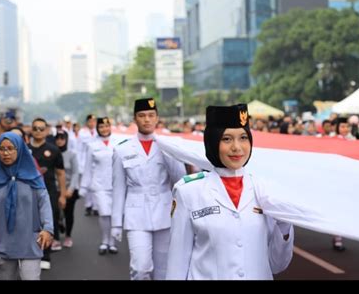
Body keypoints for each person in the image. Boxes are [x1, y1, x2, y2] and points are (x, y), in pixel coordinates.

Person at [166, 104, 294, 280]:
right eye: (226, 139)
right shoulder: (188, 191)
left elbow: (276, 264)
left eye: (243, 137)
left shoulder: (265, 190)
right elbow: (177, 264)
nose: (237, 147)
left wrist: (284, 225)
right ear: (212, 142)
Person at [111, 98, 186, 280]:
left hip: (165, 212)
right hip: (136, 214)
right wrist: (116, 223)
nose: (147, 120)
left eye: (151, 115)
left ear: (157, 118)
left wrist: (170, 154)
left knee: (164, 268)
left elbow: (180, 180)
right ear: (135, 119)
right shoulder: (123, 149)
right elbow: (119, 188)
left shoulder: (169, 145)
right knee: (140, 267)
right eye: (142, 115)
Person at [0, 132, 53, 280]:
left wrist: (47, 228)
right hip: (0, 240)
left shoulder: (33, 176)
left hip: (30, 239)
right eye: (2, 149)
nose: (6, 153)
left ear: (20, 150)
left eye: (11, 148)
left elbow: (44, 203)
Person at [28, 118, 66, 270]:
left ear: (46, 131)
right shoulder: (24, 149)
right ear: (31, 130)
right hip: (29, 193)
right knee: (30, 222)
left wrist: (62, 195)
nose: (38, 131)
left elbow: (61, 173)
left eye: (41, 128)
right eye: (35, 128)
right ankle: (31, 252)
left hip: (49, 191)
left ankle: (46, 254)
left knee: (48, 222)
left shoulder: (54, 149)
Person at [80, 117, 119, 255]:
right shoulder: (92, 145)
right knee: (104, 213)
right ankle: (104, 241)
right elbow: (88, 168)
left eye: (107, 126)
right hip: (99, 185)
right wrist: (84, 187)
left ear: (110, 127)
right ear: (98, 129)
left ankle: (113, 242)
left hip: (116, 184)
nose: (104, 129)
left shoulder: (118, 143)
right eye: (101, 127)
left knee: (115, 214)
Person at [54, 129, 79, 248]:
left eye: (62, 138)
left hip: (69, 188)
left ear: (66, 139)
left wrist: (71, 189)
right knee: (55, 213)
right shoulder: (52, 153)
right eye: (57, 138)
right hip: (55, 188)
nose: (59, 141)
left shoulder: (72, 154)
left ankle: (68, 236)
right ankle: (57, 232)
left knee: (68, 213)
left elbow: (75, 173)